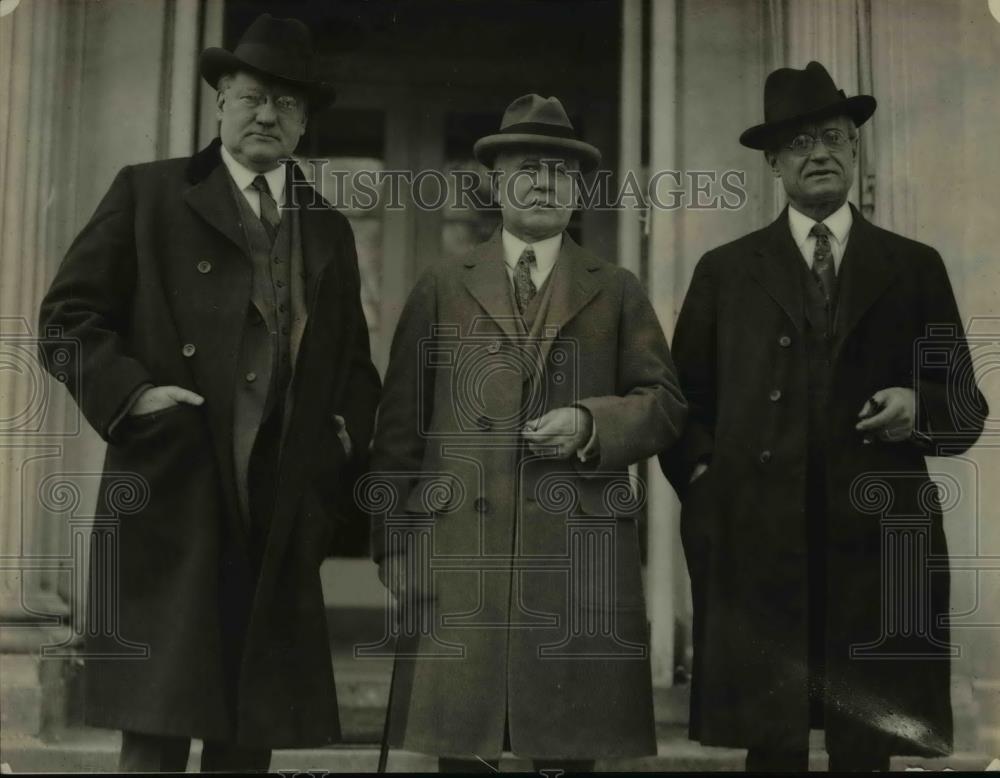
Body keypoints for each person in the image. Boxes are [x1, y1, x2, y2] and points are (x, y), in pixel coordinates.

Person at [37, 14, 380, 773]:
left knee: (246, 736)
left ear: (304, 123)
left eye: (288, 105)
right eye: (254, 95)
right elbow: (66, 319)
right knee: (156, 733)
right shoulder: (150, 193)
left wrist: (338, 444)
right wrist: (135, 400)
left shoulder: (327, 229)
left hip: (276, 507)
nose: (268, 115)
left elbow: (354, 367)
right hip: (176, 489)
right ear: (221, 99)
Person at [662, 61, 988, 772]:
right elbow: (681, 405)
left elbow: (964, 406)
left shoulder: (914, 266)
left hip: (873, 542)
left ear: (855, 149)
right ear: (774, 162)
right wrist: (710, 478)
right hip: (758, 539)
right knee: (771, 741)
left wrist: (917, 407)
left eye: (836, 137)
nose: (821, 153)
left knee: (865, 743)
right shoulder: (727, 271)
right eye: (802, 142)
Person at [369, 93, 687, 772]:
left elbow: (665, 403)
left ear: (578, 189)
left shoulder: (618, 287)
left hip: (576, 561)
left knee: (567, 749)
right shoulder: (440, 286)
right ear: (495, 181)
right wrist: (393, 548)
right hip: (461, 556)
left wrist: (591, 422)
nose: (543, 182)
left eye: (559, 171)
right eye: (525, 168)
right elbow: (398, 430)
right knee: (464, 749)